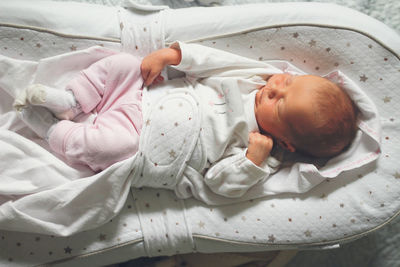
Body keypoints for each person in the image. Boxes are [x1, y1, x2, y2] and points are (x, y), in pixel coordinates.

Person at [14, 41, 357, 198]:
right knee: (122, 65)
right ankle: (73, 101)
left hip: (139, 146)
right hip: (141, 98)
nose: (278, 87)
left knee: (108, 147)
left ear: (286, 141)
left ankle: (51, 129)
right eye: (290, 82)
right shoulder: (249, 80)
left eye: (281, 106)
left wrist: (251, 162)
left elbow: (219, 185)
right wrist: (172, 56)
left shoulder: (262, 154)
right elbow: (213, 61)